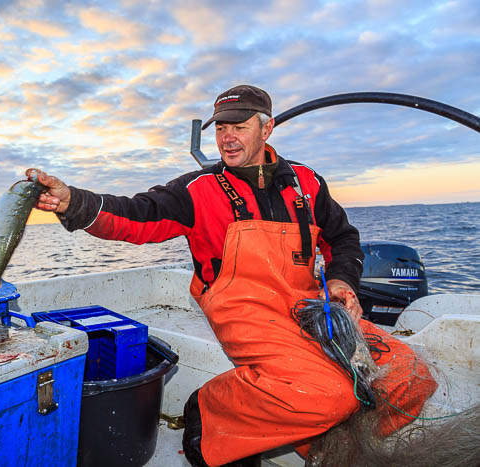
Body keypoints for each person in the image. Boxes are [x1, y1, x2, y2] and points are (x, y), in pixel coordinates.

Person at [26, 85, 436, 467]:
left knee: (410, 377)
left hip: (314, 310)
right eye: (221, 128)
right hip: (246, 313)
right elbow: (135, 216)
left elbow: (343, 239)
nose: (227, 138)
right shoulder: (198, 190)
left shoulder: (307, 183)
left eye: (238, 127)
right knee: (326, 394)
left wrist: (344, 281)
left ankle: (328, 444)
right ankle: (208, 413)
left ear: (266, 127)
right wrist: (73, 203)